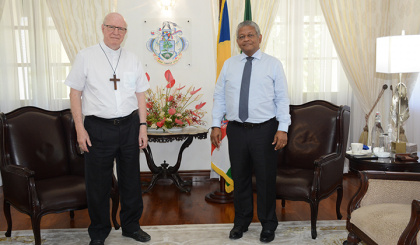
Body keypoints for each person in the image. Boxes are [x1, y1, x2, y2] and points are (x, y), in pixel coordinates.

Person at [65, 12, 150, 245]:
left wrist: (143, 127)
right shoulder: (86, 56)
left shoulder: (132, 58)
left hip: (130, 126)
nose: (116, 32)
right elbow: (75, 93)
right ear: (102, 28)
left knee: (131, 180)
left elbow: (141, 94)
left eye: (121, 29)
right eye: (111, 27)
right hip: (97, 128)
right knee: (98, 184)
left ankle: (131, 226)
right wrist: (79, 129)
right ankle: (99, 232)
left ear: (125, 33)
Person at [211, 20, 291, 243]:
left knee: (265, 179)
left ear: (259, 37)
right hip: (236, 130)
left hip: (264, 130)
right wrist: (216, 124)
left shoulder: (273, 64)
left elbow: (282, 98)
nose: (245, 39)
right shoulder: (229, 64)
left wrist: (283, 129)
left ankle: (268, 224)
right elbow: (219, 96)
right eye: (241, 36)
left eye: (250, 35)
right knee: (240, 178)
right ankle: (241, 222)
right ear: (237, 41)